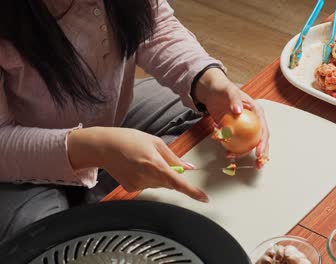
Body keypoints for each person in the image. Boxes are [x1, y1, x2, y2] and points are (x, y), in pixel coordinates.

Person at [0, 0, 269, 244]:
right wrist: (97, 148)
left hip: (111, 117)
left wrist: (207, 82)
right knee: (42, 244)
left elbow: (155, 27)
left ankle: (99, 191)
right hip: (14, 167)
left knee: (214, 108)